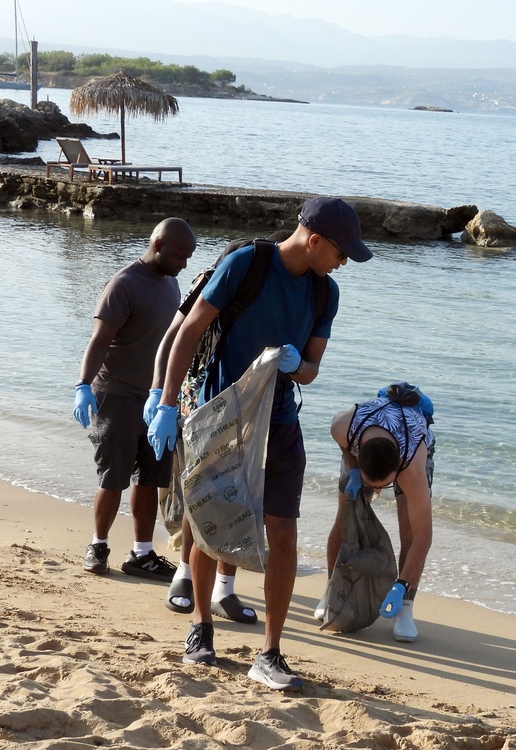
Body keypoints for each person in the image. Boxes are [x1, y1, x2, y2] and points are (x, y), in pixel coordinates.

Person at [147, 196, 372, 690]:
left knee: (283, 535)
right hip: (221, 418)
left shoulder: (324, 295)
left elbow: (311, 370)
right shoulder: (246, 263)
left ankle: (269, 653)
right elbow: (188, 331)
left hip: (281, 423)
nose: (343, 264)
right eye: (341, 253)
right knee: (210, 524)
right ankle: (200, 629)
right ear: (315, 240)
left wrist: (297, 366)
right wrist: (165, 402)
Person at [145, 232, 292, 626]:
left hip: (253, 408)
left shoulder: (291, 290)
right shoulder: (215, 278)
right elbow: (173, 338)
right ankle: (184, 574)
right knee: (202, 494)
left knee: (240, 499)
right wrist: (160, 395)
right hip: (202, 400)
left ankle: (224, 588)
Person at [72, 217, 197, 583]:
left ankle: (141, 553)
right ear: (157, 245)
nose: (184, 264)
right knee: (114, 477)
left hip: (157, 402)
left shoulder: (171, 284)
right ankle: (98, 545)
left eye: (188, 257)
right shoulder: (123, 285)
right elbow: (99, 340)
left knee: (150, 478)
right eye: (179, 255)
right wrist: (82, 384)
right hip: (118, 395)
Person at [317, 384, 435, 643]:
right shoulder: (344, 427)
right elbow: (344, 444)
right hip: (366, 439)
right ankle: (331, 589)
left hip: (411, 440)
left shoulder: (412, 466)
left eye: (383, 486)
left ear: (398, 472)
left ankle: (404, 607)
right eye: (375, 485)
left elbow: (423, 538)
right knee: (344, 518)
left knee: (409, 532)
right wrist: (354, 469)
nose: (378, 491)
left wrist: (401, 584)